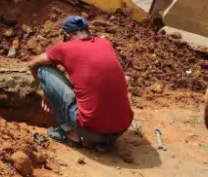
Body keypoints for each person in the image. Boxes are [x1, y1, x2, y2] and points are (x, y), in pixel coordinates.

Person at [27, 16, 133, 150]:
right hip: (121, 130)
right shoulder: (105, 44)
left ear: (67, 35)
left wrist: (46, 90)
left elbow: (32, 64)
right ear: (87, 31)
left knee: (43, 70)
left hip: (92, 130)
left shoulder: (65, 48)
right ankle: (102, 141)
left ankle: (72, 135)